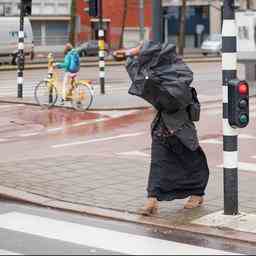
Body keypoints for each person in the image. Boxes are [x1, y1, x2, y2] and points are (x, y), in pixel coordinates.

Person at [114, 43, 209, 216]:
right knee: (158, 164)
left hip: (180, 128)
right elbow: (140, 80)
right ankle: (152, 201)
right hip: (161, 127)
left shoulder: (180, 71)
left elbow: (173, 98)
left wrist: (150, 78)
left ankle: (198, 194)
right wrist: (129, 57)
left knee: (192, 162)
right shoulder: (154, 72)